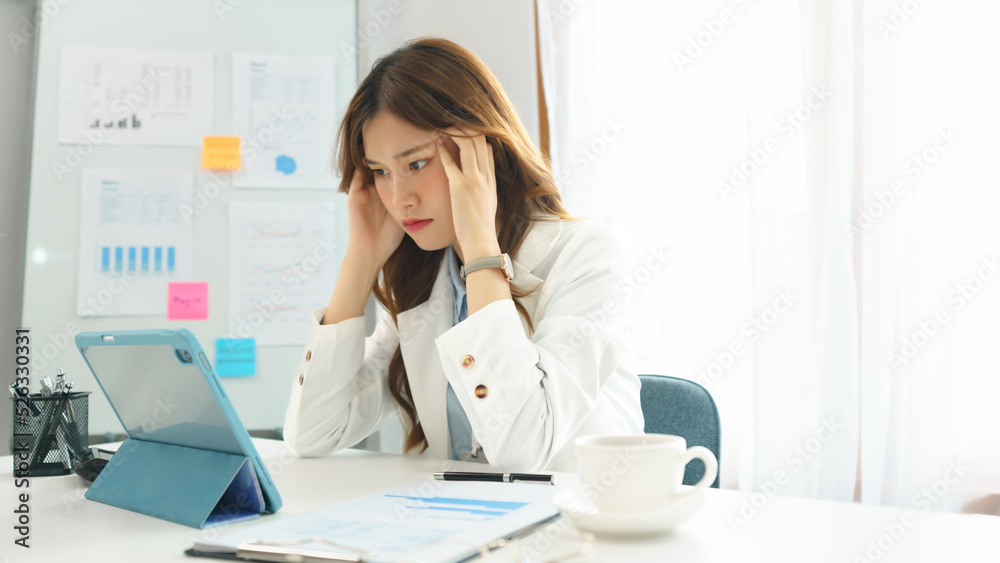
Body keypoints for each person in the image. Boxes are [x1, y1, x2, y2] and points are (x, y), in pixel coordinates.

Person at [283, 37, 643, 472]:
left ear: (481, 151)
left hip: (576, 531)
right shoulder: (426, 280)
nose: (399, 199)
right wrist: (359, 260)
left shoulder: (587, 256)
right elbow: (311, 434)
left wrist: (481, 254)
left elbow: (524, 449)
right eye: (380, 173)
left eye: (416, 164)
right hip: (459, 527)